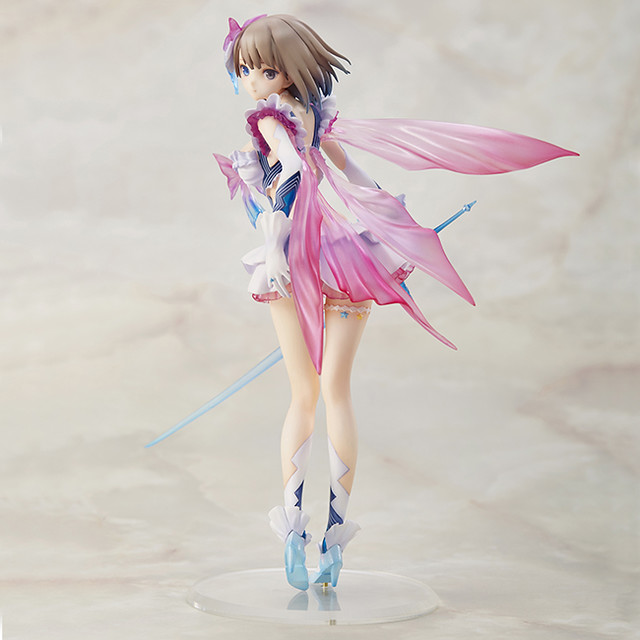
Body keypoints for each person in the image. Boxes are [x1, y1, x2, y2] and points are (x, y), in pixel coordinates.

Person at [214, 14, 576, 591]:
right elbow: (348, 168)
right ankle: (331, 542)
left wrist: (275, 241)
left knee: (304, 395)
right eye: (246, 69)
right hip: (347, 256)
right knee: (336, 392)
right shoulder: (312, 116)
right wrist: (386, 215)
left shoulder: (271, 120)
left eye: (261, 69)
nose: (252, 80)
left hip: (298, 257)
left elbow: (291, 174)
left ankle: (294, 536)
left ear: (286, 71)